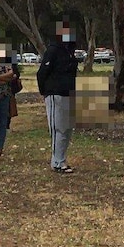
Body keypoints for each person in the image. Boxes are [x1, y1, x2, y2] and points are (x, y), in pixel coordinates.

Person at [37, 20, 79, 174]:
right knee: (58, 128)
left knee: (67, 128)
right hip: (55, 93)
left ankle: (61, 158)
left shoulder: (69, 51)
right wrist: (45, 91)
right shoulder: (53, 50)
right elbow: (42, 73)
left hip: (69, 93)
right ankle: (57, 162)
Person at [0, 61, 19, 156]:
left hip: (4, 95)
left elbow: (12, 75)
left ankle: (0, 147)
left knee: (3, 123)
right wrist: (4, 78)